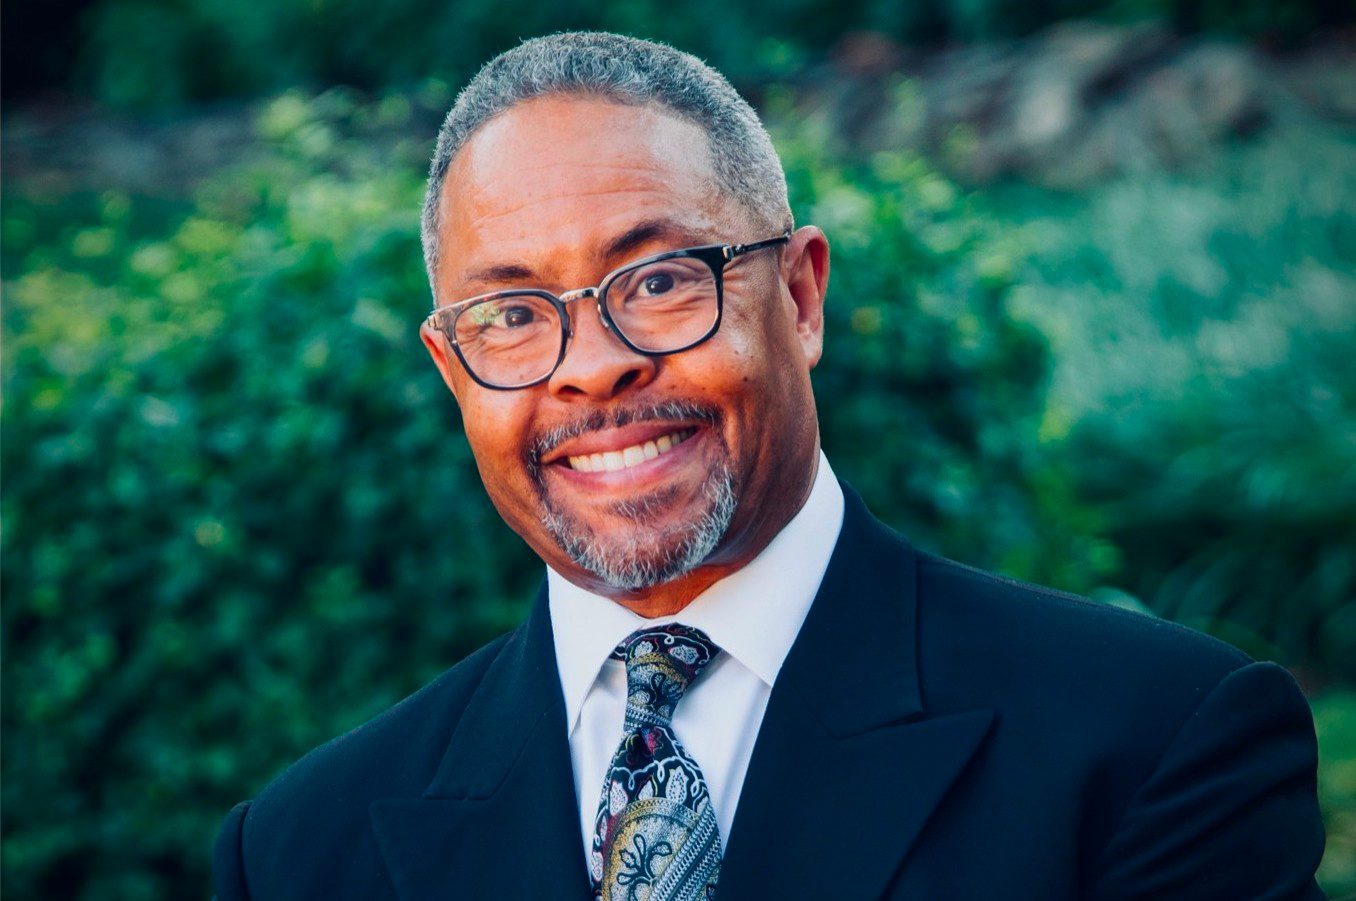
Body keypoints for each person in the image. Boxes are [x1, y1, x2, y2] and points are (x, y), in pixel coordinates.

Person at [212, 31, 1326, 900]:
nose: (592, 370)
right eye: (512, 314)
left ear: (798, 297)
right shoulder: (304, 847)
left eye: (658, 282)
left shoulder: (1151, 742)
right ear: (454, 368)